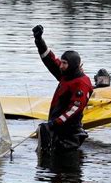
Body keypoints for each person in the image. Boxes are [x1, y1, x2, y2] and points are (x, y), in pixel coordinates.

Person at [32, 24, 93, 157]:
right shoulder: (65, 75)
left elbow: (74, 109)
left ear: (72, 65)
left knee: (62, 166)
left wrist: (54, 123)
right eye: (62, 62)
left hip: (69, 135)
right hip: (58, 130)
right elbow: (51, 61)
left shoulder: (81, 83)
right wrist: (39, 41)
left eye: (64, 63)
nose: (61, 65)